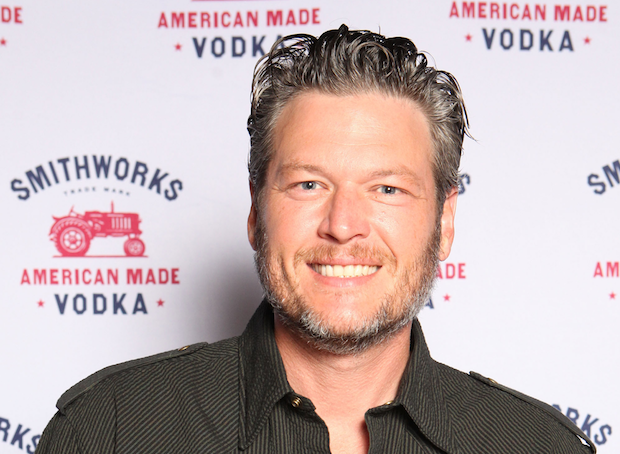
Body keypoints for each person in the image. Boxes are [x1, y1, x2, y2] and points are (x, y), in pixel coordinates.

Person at [37, 25, 595, 454]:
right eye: (309, 184)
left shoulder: (538, 446)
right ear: (256, 210)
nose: (343, 225)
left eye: (387, 189)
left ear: (444, 223)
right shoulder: (108, 430)